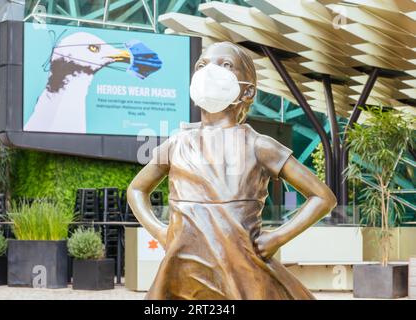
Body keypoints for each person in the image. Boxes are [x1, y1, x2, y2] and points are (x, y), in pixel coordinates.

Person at [127, 42, 337, 300]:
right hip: (181, 276)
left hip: (244, 277)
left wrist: (277, 238)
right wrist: (160, 231)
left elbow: (323, 198)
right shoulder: (177, 144)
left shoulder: (260, 146)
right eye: (201, 65)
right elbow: (137, 189)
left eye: (225, 65)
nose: (209, 71)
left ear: (247, 92)